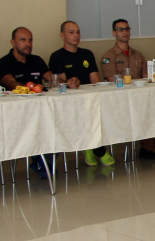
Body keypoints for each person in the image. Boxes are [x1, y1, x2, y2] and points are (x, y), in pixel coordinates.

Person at [49, 21, 115, 167]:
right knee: (82, 111)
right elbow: (62, 83)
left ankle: (92, 146)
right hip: (70, 100)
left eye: (78, 32)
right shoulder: (57, 56)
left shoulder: (87, 54)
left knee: (100, 109)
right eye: (71, 32)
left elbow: (94, 80)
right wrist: (72, 84)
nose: (76, 35)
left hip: (90, 97)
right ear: (62, 35)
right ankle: (96, 149)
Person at [0, 27, 57, 178]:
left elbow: (52, 79)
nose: (27, 44)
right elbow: (10, 83)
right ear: (13, 42)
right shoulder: (3, 63)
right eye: (23, 40)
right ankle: (41, 162)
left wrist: (67, 83)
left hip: (40, 110)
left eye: (30, 40)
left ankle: (42, 163)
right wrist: (31, 88)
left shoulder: (37, 60)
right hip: (16, 113)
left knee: (57, 123)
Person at [100, 20, 155, 159]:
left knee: (152, 108)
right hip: (120, 99)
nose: (125, 32)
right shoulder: (109, 56)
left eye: (127, 29)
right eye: (120, 29)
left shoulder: (138, 55)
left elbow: (146, 76)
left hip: (140, 96)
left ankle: (148, 149)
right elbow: (111, 79)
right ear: (114, 33)